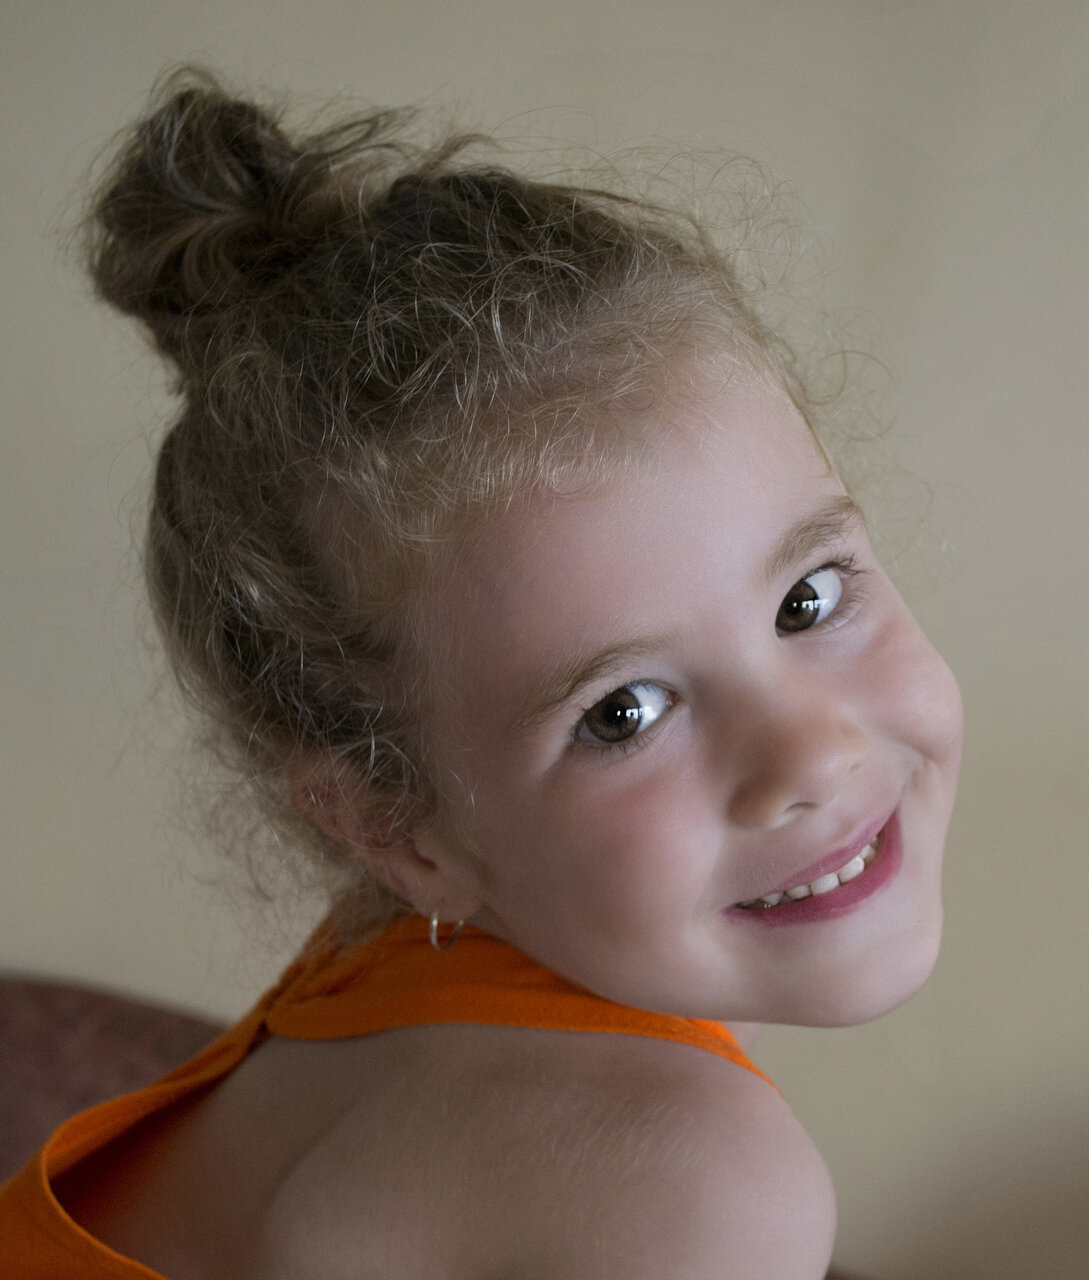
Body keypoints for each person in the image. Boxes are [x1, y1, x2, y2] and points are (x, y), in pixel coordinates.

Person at [0, 67, 962, 1279]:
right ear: (394, 827)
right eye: (625, 711)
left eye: (806, 598)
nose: (812, 750)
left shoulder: (418, 962)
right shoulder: (692, 1188)